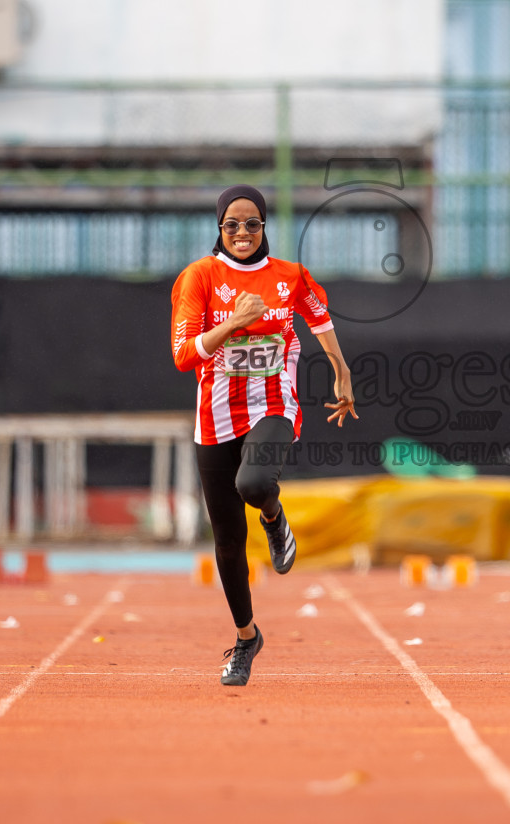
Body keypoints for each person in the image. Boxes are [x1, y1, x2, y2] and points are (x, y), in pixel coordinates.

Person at [170, 185, 357, 686]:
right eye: (232, 224)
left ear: (264, 227)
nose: (243, 233)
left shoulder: (290, 277)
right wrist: (234, 323)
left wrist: (340, 370)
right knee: (229, 543)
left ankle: (274, 517)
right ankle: (247, 638)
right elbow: (184, 355)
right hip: (214, 418)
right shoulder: (199, 277)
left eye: (252, 223)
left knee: (252, 485)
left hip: (273, 405)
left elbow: (320, 320)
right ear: (219, 228)